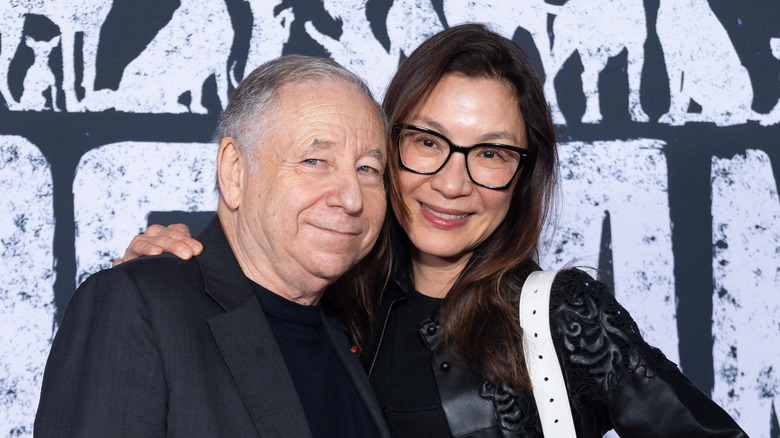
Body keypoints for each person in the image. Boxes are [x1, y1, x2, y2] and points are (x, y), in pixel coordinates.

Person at [115, 24, 748, 437]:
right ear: (385, 148)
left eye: (492, 153)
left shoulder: (560, 316)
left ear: (524, 175)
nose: (453, 182)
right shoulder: (327, 299)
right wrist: (187, 261)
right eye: (427, 142)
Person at [34, 55, 392, 438]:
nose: (352, 198)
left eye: (368, 169)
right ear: (234, 171)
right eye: (315, 160)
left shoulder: (352, 331)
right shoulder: (138, 306)